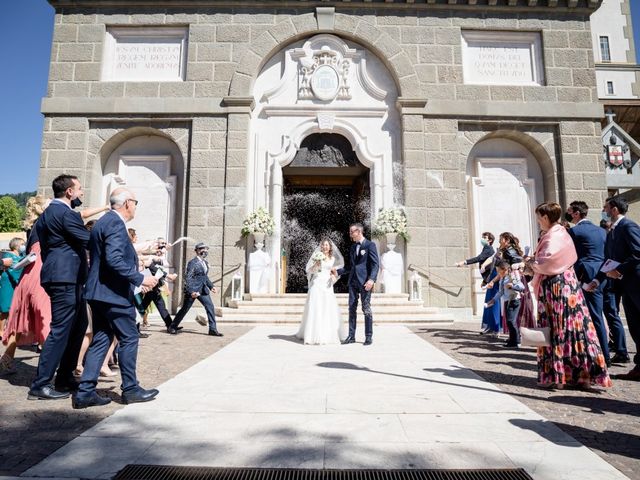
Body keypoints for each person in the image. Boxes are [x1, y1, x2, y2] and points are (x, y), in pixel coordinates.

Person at [73, 188, 159, 408]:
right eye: (136, 202)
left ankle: (85, 392)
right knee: (130, 337)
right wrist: (140, 279)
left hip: (99, 293)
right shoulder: (114, 223)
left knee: (101, 339)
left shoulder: (104, 222)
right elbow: (113, 259)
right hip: (112, 294)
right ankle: (130, 389)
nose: (136, 206)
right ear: (128, 203)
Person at [528, 202, 611, 390]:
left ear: (546, 217)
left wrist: (532, 264)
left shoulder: (554, 236)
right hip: (566, 285)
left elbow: (547, 261)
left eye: (539, 217)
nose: (538, 221)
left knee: (558, 329)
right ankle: (580, 375)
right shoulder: (560, 232)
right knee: (573, 329)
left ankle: (560, 376)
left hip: (557, 287)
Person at [28, 175, 91, 400]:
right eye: (80, 188)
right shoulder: (64, 214)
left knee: (78, 325)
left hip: (67, 277)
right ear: (69, 192)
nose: (82, 193)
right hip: (64, 277)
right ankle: (40, 384)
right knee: (61, 329)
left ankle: (64, 378)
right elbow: (90, 240)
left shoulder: (48, 215)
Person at [586, 197, 640, 380]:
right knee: (635, 326)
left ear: (614, 209)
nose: (604, 210)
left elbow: (638, 254)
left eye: (606, 207)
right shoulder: (612, 231)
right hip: (625, 285)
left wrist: (620, 270)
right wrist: (597, 280)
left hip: (636, 282)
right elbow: (608, 260)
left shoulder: (628, 227)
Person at [566, 201, 612, 366]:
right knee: (602, 315)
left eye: (570, 211)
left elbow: (572, 255)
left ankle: (603, 356)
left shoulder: (574, 231)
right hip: (602, 274)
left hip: (586, 276)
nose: (569, 214)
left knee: (592, 316)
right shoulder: (601, 231)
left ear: (576, 213)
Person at [334, 223, 379, 346]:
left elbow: (375, 264)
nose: (350, 234)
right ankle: (351, 336)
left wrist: (371, 280)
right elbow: (350, 266)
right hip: (353, 281)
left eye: (351, 232)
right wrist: (337, 272)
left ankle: (368, 336)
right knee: (351, 309)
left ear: (359, 232)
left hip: (365, 282)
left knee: (366, 308)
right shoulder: (353, 247)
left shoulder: (370, 245)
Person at [296, 238, 345, 345]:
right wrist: (316, 265)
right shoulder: (316, 257)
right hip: (317, 283)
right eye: (323, 245)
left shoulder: (332, 259)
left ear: (330, 247)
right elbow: (309, 271)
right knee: (315, 307)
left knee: (327, 308)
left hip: (327, 285)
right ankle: (312, 335)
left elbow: (335, 272)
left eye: (326, 245)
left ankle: (326, 334)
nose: (324, 247)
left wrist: (334, 277)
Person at [168, 242, 223, 337]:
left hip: (203, 290)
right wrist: (191, 291)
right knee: (185, 309)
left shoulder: (205, 263)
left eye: (205, 249)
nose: (204, 250)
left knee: (210, 307)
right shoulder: (192, 263)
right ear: (197, 251)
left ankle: (213, 329)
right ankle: (172, 326)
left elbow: (204, 277)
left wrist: (211, 286)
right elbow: (188, 277)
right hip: (193, 290)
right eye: (202, 249)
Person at [485, 259, 524, 348]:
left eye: (500, 271)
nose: (499, 273)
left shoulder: (512, 276)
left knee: (511, 321)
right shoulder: (502, 279)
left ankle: (516, 341)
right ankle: (512, 340)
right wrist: (493, 300)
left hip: (514, 300)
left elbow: (521, 286)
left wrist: (512, 286)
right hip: (507, 301)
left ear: (505, 269)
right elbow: (500, 292)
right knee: (509, 321)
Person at [0, 237, 26, 336]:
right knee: (6, 308)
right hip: (8, 283)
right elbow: (13, 270)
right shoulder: (9, 256)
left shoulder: (20, 256)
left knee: (15, 308)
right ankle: (1, 331)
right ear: (16, 246)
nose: (24, 246)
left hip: (16, 284)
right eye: (22, 244)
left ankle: (13, 330)